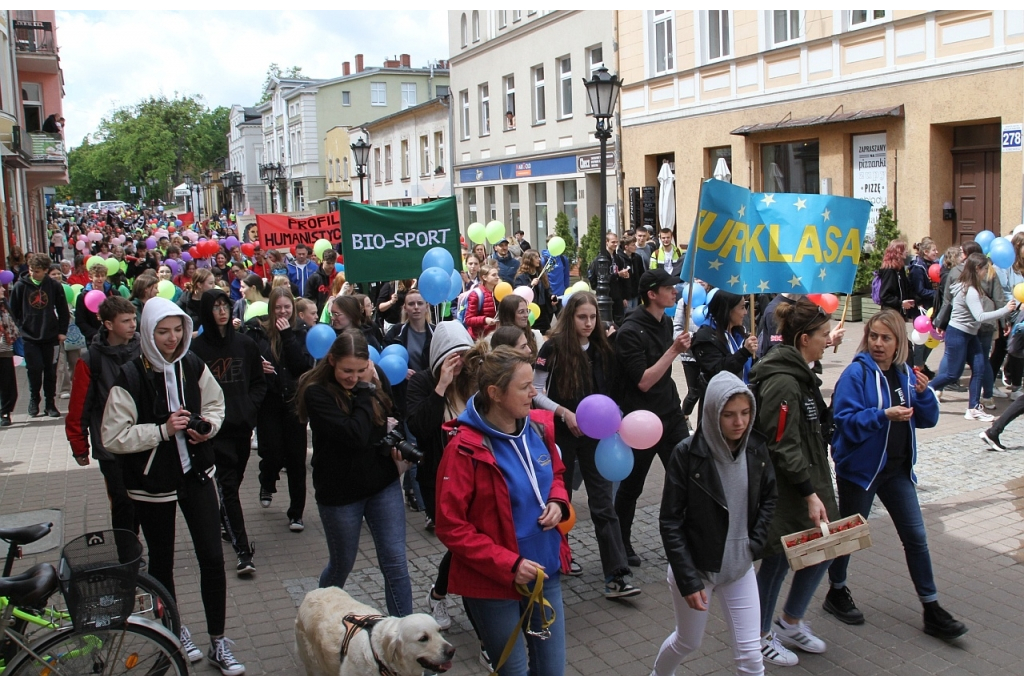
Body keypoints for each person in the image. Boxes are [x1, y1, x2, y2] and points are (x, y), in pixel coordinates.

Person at [100, 297, 244, 675]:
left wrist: (207, 428)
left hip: (196, 474)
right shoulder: (130, 375)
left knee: (212, 557)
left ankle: (218, 640)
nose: (171, 338)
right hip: (151, 484)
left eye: (177, 329)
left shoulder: (192, 364)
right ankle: (174, 632)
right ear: (148, 331)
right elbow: (113, 436)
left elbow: (216, 404)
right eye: (163, 331)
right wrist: (161, 431)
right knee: (162, 563)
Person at [827, 310, 966, 639]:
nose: (878, 343)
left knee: (916, 538)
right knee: (848, 536)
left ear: (899, 343)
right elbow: (845, 420)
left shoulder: (905, 373)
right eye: (873, 336)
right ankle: (836, 590)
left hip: (897, 471)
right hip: (861, 472)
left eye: (886, 338)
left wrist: (922, 394)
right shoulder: (856, 374)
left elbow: (927, 419)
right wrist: (882, 415)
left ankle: (931, 608)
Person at [435, 347, 569, 676]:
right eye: (524, 387)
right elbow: (451, 527)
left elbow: (558, 474)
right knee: (513, 672)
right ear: (495, 393)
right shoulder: (464, 448)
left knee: (552, 672)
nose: (534, 393)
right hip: (493, 584)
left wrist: (557, 501)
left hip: (544, 571)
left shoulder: (538, 428)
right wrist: (510, 564)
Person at [654, 372, 777, 676]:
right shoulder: (687, 453)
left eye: (746, 413)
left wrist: (753, 544)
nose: (740, 422)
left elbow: (770, 497)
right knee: (687, 641)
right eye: (729, 415)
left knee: (751, 657)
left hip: (739, 567)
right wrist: (688, 578)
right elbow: (670, 520)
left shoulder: (756, 448)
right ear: (711, 413)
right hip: (698, 567)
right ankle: (659, 676)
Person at [295, 330, 413, 617]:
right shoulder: (317, 392)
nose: (354, 377)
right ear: (332, 361)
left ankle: (403, 632)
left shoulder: (375, 378)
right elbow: (355, 434)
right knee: (342, 564)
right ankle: (317, 616)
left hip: (381, 484)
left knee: (395, 562)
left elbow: (392, 416)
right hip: (340, 493)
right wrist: (364, 389)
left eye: (361, 370)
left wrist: (395, 439)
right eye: (348, 371)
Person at [747, 299, 836, 667]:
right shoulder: (784, 380)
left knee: (824, 547)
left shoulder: (800, 373)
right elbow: (782, 443)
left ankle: (788, 622)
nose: (828, 341)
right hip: (787, 488)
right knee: (778, 559)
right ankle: (758, 635)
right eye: (824, 335)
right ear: (803, 339)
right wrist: (808, 492)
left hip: (807, 480)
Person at [533, 290, 638, 597]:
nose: (589, 323)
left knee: (604, 505)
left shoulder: (602, 349)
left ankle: (617, 574)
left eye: (593, 317)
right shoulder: (552, 348)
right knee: (557, 501)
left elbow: (611, 391)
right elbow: (536, 392)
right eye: (582, 317)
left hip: (596, 438)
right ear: (570, 317)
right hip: (560, 434)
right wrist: (563, 413)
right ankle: (557, 558)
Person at [406, 322, 485, 627]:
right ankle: (441, 597)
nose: (461, 364)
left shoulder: (473, 383)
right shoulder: (423, 383)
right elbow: (419, 427)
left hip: (475, 476)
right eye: (454, 357)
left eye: (466, 356)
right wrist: (440, 386)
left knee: (470, 545)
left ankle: (447, 598)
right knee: (460, 545)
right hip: (439, 479)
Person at [613, 268, 691, 567]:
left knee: (687, 476)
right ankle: (621, 543)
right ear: (652, 294)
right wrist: (674, 350)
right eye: (669, 288)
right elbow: (644, 381)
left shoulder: (666, 320)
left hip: (670, 414)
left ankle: (686, 538)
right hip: (641, 422)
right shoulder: (630, 331)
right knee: (632, 487)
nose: (675, 291)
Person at [191, 289, 267, 577]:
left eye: (225, 305)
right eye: (216, 307)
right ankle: (243, 552)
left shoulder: (245, 345)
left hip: (242, 426)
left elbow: (259, 382)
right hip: (215, 432)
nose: (222, 311)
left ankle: (227, 521)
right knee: (227, 486)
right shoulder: (197, 351)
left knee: (234, 483)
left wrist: (249, 408)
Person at [66, 295, 141, 534]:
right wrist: (80, 446)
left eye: (133, 319)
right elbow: (79, 407)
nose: (132, 325)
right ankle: (127, 552)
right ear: (108, 325)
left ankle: (136, 545)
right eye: (125, 321)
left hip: (144, 439)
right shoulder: (92, 359)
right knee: (122, 501)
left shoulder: (145, 349)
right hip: (111, 445)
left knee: (142, 500)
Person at [244, 287, 312, 530]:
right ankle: (267, 480)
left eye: (287, 307)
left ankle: (296, 512)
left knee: (296, 459)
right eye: (278, 307)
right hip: (268, 401)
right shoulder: (257, 331)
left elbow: (301, 366)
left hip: (293, 402)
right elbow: (245, 359)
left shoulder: (300, 332)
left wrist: (287, 337)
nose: (283, 312)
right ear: (271, 309)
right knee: (271, 451)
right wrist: (257, 365)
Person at [928, 252, 1017, 421]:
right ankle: (925, 389)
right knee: (953, 374)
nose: (987, 273)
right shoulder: (970, 290)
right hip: (958, 334)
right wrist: (1006, 310)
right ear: (977, 269)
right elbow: (980, 317)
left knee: (979, 368)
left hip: (970, 334)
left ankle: (973, 409)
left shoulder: (972, 286)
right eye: (985, 269)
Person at [9, 253, 69, 418]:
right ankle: (34, 398)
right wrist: (20, 329)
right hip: (30, 336)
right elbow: (13, 311)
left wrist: (62, 331)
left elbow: (63, 310)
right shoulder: (20, 286)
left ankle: (50, 403)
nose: (33, 274)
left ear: (45, 270)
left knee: (50, 371)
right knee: (34, 369)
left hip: (51, 336)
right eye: (31, 270)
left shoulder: (54, 286)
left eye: (37, 271)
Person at [690, 292, 757, 420]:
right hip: (721, 406)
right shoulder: (706, 336)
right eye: (742, 307)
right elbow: (718, 371)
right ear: (728, 310)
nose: (746, 313)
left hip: (744, 400)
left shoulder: (739, 333)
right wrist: (744, 352)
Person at [909, 238, 940, 377]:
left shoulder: (933, 265)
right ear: (926, 252)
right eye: (934, 250)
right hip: (921, 308)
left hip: (931, 307)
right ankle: (917, 366)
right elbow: (919, 290)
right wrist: (937, 294)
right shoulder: (917, 268)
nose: (937, 252)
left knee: (932, 337)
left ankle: (921, 364)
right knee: (921, 338)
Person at [514, 250, 555, 333]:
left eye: (539, 257)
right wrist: (530, 285)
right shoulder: (521, 277)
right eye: (536, 257)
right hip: (530, 312)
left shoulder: (541, 273)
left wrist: (552, 296)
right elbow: (519, 294)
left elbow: (547, 289)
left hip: (543, 311)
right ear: (528, 259)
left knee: (546, 334)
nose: (539, 259)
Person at [0, 284, 19, 427]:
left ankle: (5, 412)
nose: (3, 289)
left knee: (8, 384)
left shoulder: (4, 305)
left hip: (5, 349)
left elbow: (13, 323)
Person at [465, 265, 499, 340]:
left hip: (495, 336)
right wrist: (485, 320)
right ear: (484, 277)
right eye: (494, 275)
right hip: (479, 338)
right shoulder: (476, 294)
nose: (497, 277)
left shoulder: (499, 292)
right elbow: (468, 319)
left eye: (497, 274)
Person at [177, 268, 215, 332]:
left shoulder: (214, 300)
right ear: (199, 285)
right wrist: (190, 335)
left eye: (214, 283)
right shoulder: (184, 301)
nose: (214, 286)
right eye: (211, 283)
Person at [305, 249, 337, 315]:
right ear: (322, 261)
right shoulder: (314, 278)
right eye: (328, 263)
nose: (331, 266)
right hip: (319, 314)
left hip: (335, 313)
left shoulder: (337, 277)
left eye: (333, 263)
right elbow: (308, 298)